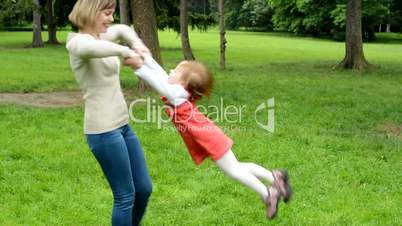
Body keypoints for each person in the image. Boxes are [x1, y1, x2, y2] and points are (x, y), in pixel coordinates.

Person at [124, 54, 292, 219]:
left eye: (175, 71)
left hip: (210, 138)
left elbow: (158, 82)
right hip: (209, 135)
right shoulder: (177, 91)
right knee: (237, 166)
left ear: (183, 83)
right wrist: (146, 58)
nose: (171, 71)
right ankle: (275, 177)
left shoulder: (175, 93)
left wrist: (139, 67)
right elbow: (161, 74)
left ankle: (269, 193)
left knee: (234, 170)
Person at [66, 0, 152, 225]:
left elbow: (123, 30)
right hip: (103, 130)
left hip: (122, 125)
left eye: (112, 13)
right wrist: (125, 51)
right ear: (91, 12)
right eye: (106, 13)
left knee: (143, 188)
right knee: (125, 196)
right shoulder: (77, 43)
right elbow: (90, 48)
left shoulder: (102, 37)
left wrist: (137, 44)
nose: (111, 19)